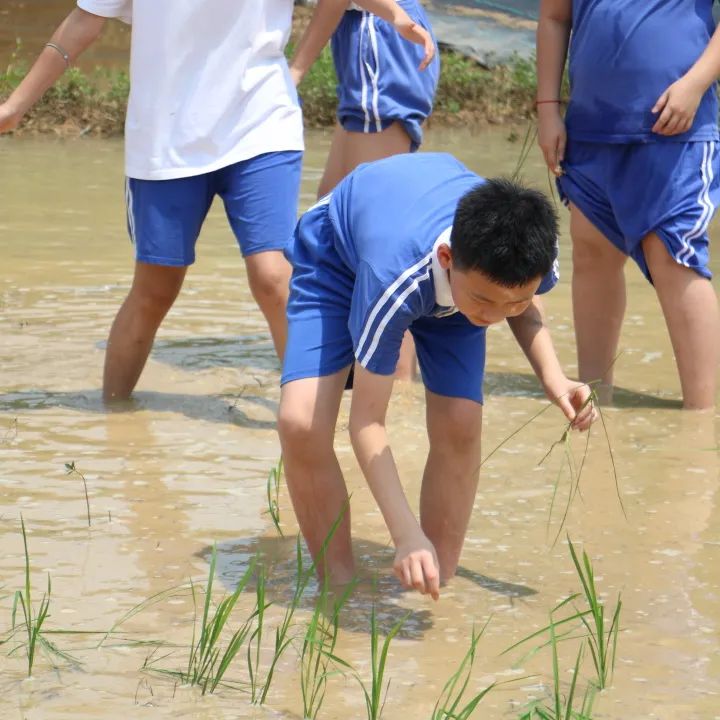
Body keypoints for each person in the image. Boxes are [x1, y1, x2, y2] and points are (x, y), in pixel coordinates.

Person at [0, 0, 433, 403]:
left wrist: (394, 15)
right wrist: (16, 105)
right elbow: (85, 20)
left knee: (274, 276)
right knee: (155, 288)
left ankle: (312, 426)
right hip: (165, 141)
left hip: (262, 125)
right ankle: (116, 421)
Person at [277, 152, 596, 599]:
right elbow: (367, 423)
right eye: (488, 302)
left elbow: (515, 300)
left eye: (513, 302)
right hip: (340, 258)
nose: (496, 318)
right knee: (301, 423)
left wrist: (554, 377)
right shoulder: (393, 279)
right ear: (447, 257)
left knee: (461, 424)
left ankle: (435, 584)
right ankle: (339, 588)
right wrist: (404, 533)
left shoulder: (525, 253)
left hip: (449, 279)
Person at [536, 0, 720, 409]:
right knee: (590, 251)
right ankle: (594, 398)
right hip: (590, 128)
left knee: (675, 258)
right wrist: (547, 109)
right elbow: (553, 16)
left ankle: (700, 421)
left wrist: (696, 83)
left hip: (676, 129)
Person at [290, 0, 440, 381]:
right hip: (374, 39)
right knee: (331, 222)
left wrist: (294, 72)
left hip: (380, 43)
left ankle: (397, 385)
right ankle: (358, 373)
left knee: (378, 241)